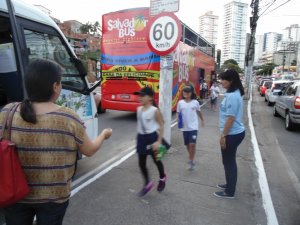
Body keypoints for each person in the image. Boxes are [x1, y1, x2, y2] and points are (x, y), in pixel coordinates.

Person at [0, 59, 112, 225]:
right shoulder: (68, 117)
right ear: (55, 86)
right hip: (54, 197)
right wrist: (103, 134)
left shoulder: (8, 111)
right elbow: (89, 150)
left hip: (15, 193)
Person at [214, 69, 245, 199]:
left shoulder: (232, 96)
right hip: (233, 133)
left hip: (232, 134)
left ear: (231, 81)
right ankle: (228, 185)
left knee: (229, 162)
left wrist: (223, 136)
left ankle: (230, 191)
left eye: (223, 79)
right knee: (227, 161)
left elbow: (230, 119)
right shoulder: (233, 93)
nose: (221, 82)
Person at [136, 87, 167, 196]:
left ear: (150, 98)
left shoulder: (154, 111)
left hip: (153, 138)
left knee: (157, 160)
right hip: (141, 138)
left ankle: (162, 178)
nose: (140, 97)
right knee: (141, 163)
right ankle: (148, 183)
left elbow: (162, 125)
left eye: (142, 95)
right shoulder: (138, 109)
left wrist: (159, 141)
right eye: (139, 95)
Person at [176, 85, 204, 171]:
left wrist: (202, 120)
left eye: (187, 92)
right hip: (185, 128)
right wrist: (178, 119)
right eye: (184, 92)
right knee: (187, 145)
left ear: (191, 93)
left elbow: (199, 112)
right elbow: (178, 112)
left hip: (194, 127)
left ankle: (191, 160)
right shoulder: (180, 103)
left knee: (192, 145)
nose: (185, 93)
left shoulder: (195, 102)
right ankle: (191, 156)